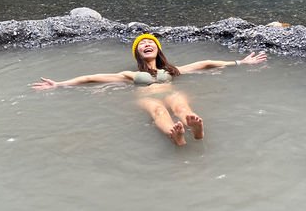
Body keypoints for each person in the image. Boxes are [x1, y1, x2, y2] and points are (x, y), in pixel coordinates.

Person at [30, 33, 267, 146]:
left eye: (150, 43)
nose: (146, 44)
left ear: (158, 50)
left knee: (180, 104)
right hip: (147, 97)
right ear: (137, 53)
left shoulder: (171, 72)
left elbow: (204, 64)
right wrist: (59, 84)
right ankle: (175, 135)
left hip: (170, 90)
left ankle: (195, 128)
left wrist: (240, 62)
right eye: (141, 44)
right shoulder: (132, 75)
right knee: (157, 111)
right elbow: (92, 78)